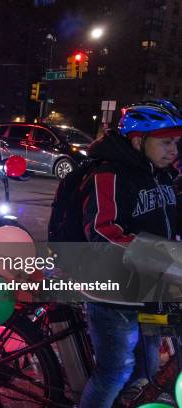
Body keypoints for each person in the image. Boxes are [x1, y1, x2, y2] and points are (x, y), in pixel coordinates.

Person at [79, 100, 182, 407]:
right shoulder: (109, 175)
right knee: (116, 371)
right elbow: (102, 231)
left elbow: (168, 222)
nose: (173, 150)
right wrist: (161, 257)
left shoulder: (159, 174)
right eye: (165, 142)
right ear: (138, 140)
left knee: (147, 369)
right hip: (112, 295)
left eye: (176, 143)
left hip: (149, 289)